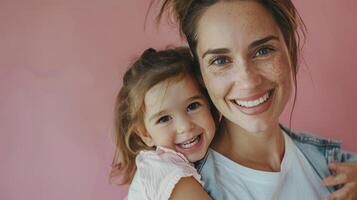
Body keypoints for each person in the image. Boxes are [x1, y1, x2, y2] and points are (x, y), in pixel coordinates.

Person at [156, 0, 357, 199]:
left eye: (263, 51)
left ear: (290, 49)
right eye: (220, 61)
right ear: (200, 72)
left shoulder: (335, 165)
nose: (248, 82)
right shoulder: (183, 189)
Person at [110, 47, 217, 199]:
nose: (185, 126)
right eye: (164, 119)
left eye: (192, 106)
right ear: (145, 134)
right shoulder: (170, 172)